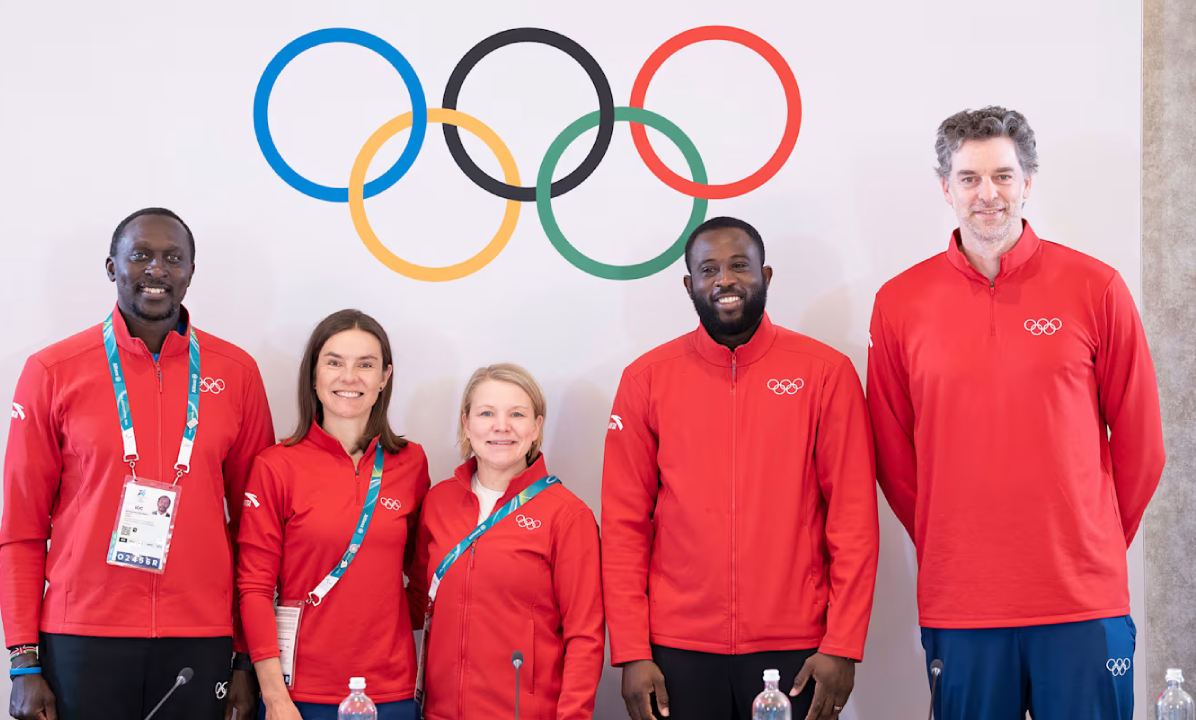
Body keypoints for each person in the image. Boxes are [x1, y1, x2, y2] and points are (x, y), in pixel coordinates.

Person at [866, 106, 1166, 720]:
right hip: (963, 600)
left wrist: (1094, 540)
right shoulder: (899, 304)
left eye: (1003, 175)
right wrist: (957, 542)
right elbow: (895, 457)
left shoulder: (1096, 287)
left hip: (1083, 598)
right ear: (945, 188)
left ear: (1028, 181)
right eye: (970, 178)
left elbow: (1142, 441)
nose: (988, 194)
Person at [0, 207, 275, 720]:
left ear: (191, 272)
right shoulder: (53, 371)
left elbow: (256, 533)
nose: (157, 270)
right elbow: (21, 530)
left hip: (200, 637)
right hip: (81, 634)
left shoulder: (236, 374)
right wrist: (23, 661)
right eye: (141, 255)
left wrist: (245, 658)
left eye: (173, 258)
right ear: (112, 267)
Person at [602, 216, 880, 720]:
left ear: (766, 275)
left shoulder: (825, 373)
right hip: (676, 648)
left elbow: (853, 520)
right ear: (689, 285)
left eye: (739, 266)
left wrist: (843, 644)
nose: (724, 280)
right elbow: (623, 527)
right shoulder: (646, 379)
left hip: (796, 648)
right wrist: (631, 650)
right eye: (708, 269)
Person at [236, 310, 429, 720]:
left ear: (384, 377)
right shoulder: (276, 466)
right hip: (299, 694)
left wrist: (382, 622)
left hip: (390, 691)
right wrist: (274, 697)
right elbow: (254, 588)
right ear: (314, 376)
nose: (350, 377)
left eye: (366, 365)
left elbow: (422, 572)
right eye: (335, 362)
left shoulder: (410, 463)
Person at [413, 364, 604, 720]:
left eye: (517, 414)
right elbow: (418, 600)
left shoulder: (567, 515)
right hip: (438, 713)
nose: (502, 426)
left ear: (536, 428)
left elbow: (585, 635)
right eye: (487, 413)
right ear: (467, 424)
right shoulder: (437, 502)